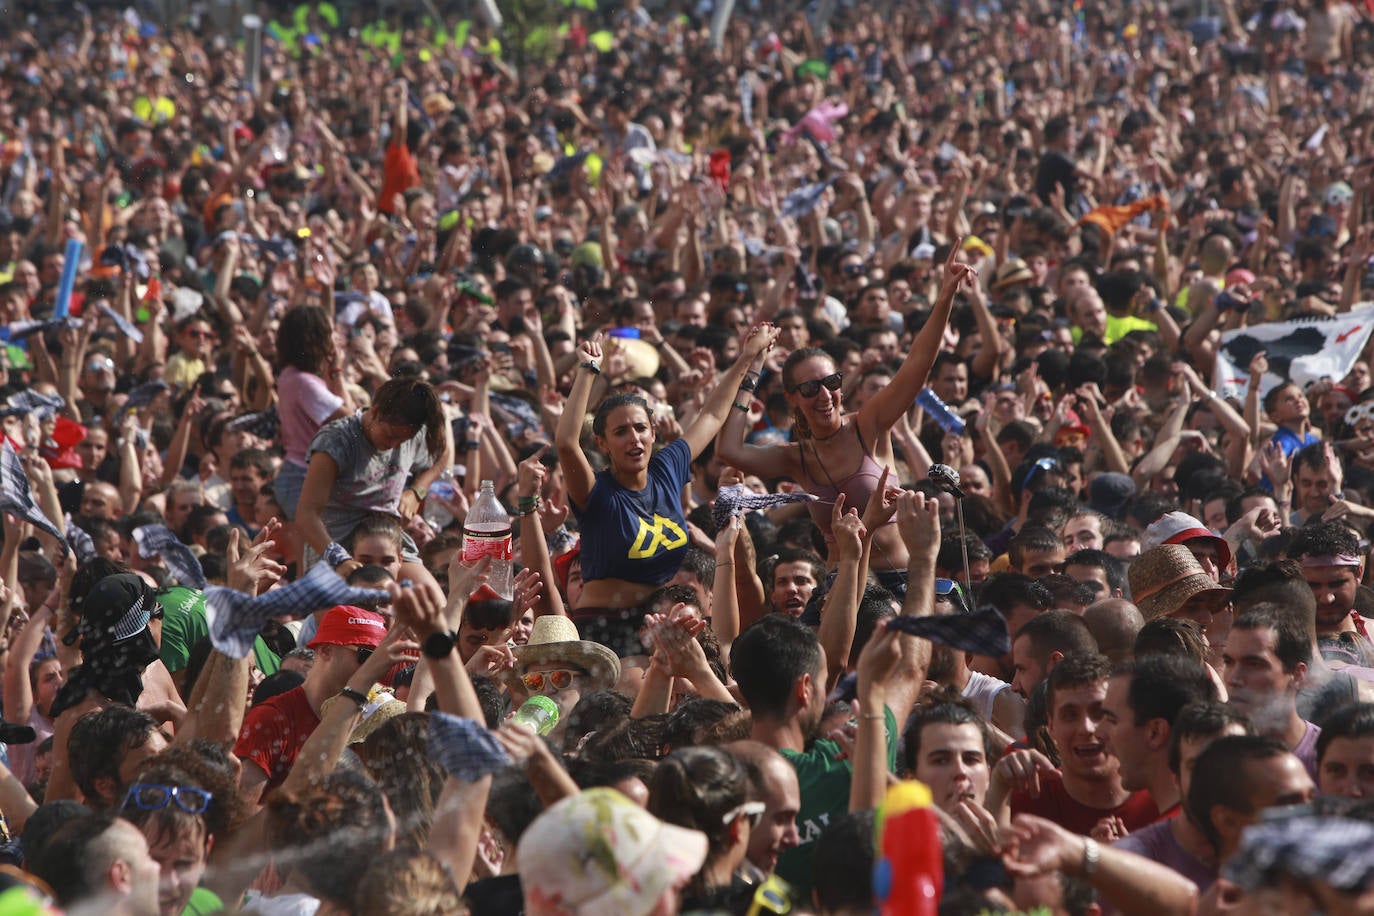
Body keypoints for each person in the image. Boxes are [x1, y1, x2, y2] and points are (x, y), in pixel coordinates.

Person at [717, 247, 976, 590]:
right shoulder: (795, 457)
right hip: (841, 588)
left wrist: (945, 296)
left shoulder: (868, 425)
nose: (824, 396)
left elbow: (917, 365)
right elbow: (729, 450)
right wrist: (753, 368)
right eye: (809, 388)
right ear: (792, 398)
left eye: (831, 383)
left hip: (898, 581)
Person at [554, 323, 777, 631]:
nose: (634, 439)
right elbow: (566, 443)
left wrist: (748, 356)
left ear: (653, 432)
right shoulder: (597, 492)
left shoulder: (667, 468)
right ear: (601, 443)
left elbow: (711, 416)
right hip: (606, 627)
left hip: (659, 622)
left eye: (640, 428)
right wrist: (588, 370)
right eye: (620, 432)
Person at [296, 376, 451, 583]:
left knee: (434, 601)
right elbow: (306, 514)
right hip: (335, 545)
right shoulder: (336, 441)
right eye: (390, 436)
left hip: (387, 543)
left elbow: (442, 454)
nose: (395, 445)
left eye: (402, 440)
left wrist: (417, 492)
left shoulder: (409, 433)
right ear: (376, 412)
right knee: (346, 614)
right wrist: (339, 559)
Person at [273, 305, 353, 520]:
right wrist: (337, 370)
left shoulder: (291, 375)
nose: (335, 338)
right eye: (329, 332)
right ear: (315, 338)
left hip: (303, 475)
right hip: (303, 477)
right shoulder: (304, 383)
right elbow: (351, 420)